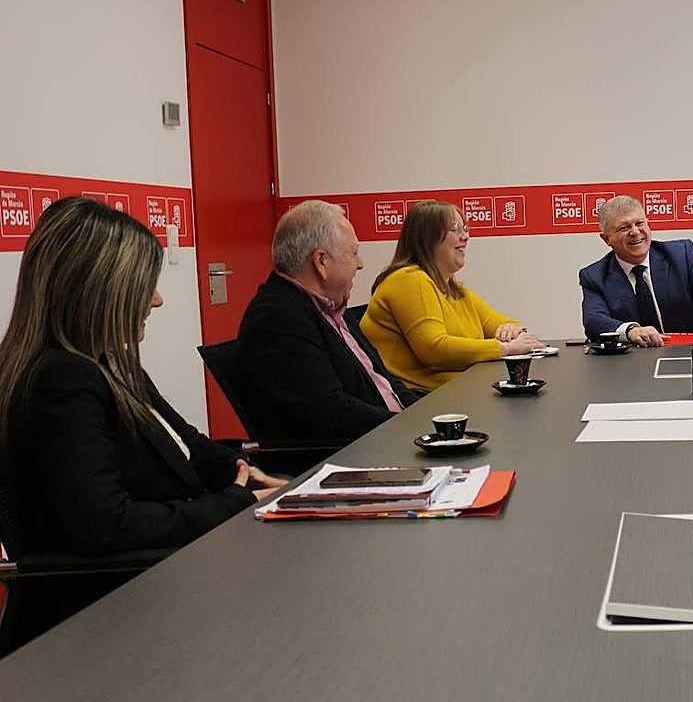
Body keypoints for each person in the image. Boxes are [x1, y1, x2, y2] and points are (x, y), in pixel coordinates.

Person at [0, 197, 283, 557]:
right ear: (98, 293)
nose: (158, 300)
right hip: (122, 594)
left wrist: (240, 470)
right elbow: (108, 527)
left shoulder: (111, 362)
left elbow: (189, 445)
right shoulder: (61, 381)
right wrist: (233, 501)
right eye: (144, 286)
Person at [236, 200, 419, 444]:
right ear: (321, 261)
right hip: (355, 456)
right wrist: (409, 426)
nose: (360, 264)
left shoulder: (330, 309)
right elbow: (330, 414)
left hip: (387, 437)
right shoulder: (276, 319)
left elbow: (383, 380)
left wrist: (423, 413)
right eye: (353, 253)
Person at [362, 200, 544, 392]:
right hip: (424, 404)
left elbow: (508, 324)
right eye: (455, 229)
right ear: (428, 238)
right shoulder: (408, 279)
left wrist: (511, 329)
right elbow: (434, 349)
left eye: (465, 228)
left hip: (456, 394)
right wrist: (504, 349)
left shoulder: (455, 290)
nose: (465, 237)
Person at [579, 195, 693, 347]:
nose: (635, 232)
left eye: (640, 223)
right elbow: (594, 320)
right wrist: (631, 331)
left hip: (692, 355)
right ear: (606, 238)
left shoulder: (682, 255)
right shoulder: (594, 276)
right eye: (624, 228)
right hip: (632, 364)